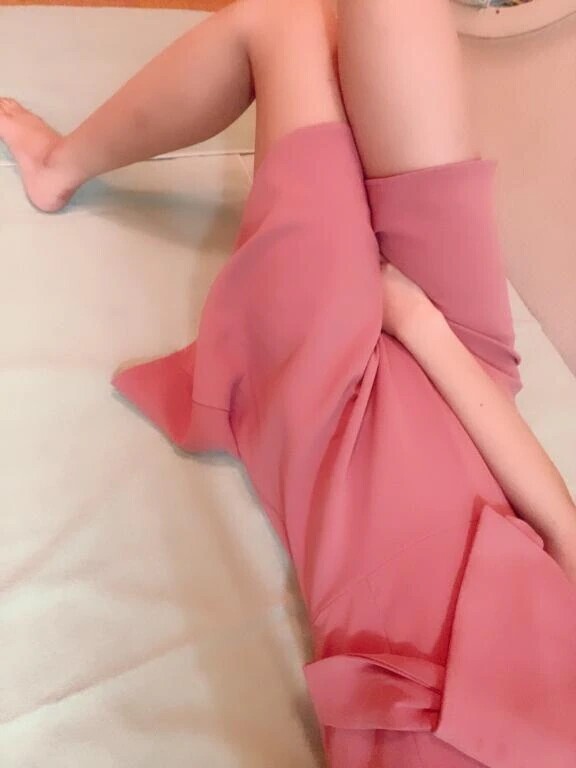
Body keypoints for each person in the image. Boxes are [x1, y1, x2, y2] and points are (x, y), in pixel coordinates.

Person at [2, 0, 576, 765]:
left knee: (282, 21)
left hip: (330, 417)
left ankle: (58, 166)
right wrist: (427, 330)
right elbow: (566, 533)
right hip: (469, 380)